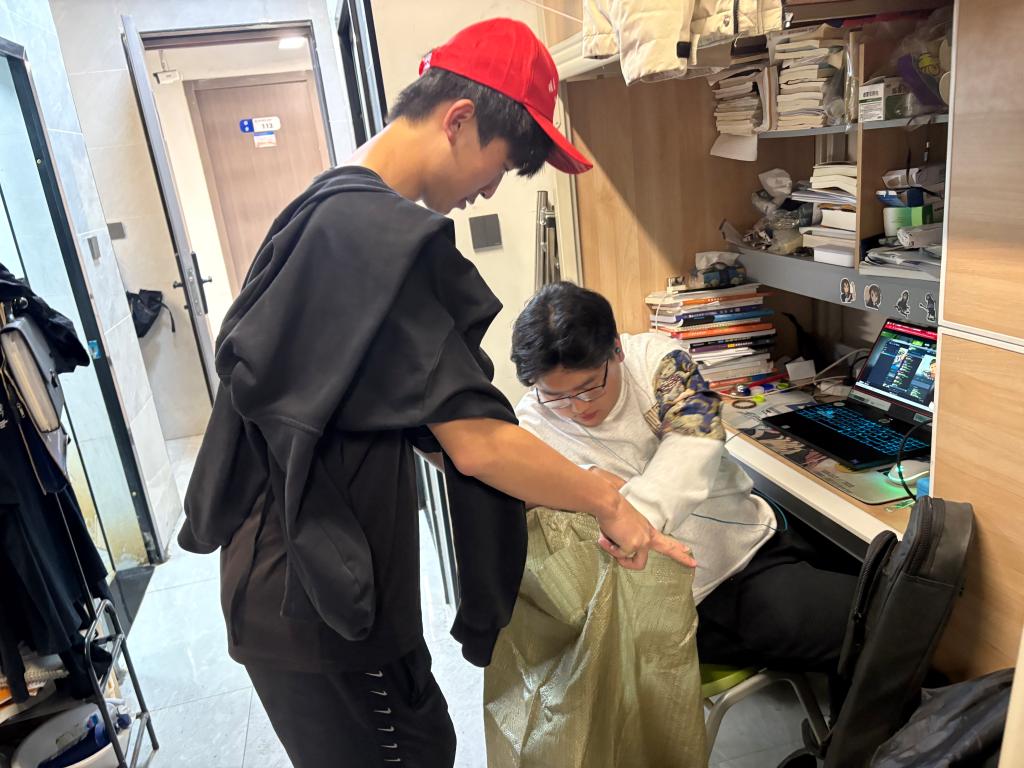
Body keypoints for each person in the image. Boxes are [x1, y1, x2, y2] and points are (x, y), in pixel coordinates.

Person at [177, 20, 693, 768]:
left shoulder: (325, 208)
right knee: (414, 752)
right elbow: (475, 443)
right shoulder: (381, 237)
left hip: (282, 576)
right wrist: (607, 502)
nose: (490, 189)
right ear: (459, 120)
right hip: (318, 596)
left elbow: (393, 410)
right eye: (503, 163)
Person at [510, 282, 857, 677]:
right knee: (875, 625)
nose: (575, 407)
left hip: (746, 541)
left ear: (616, 350)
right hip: (690, 596)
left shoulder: (657, 361)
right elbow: (517, 502)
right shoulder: (529, 427)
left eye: (589, 388)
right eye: (555, 397)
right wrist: (584, 483)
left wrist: (631, 512)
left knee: (878, 580)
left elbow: (694, 435)